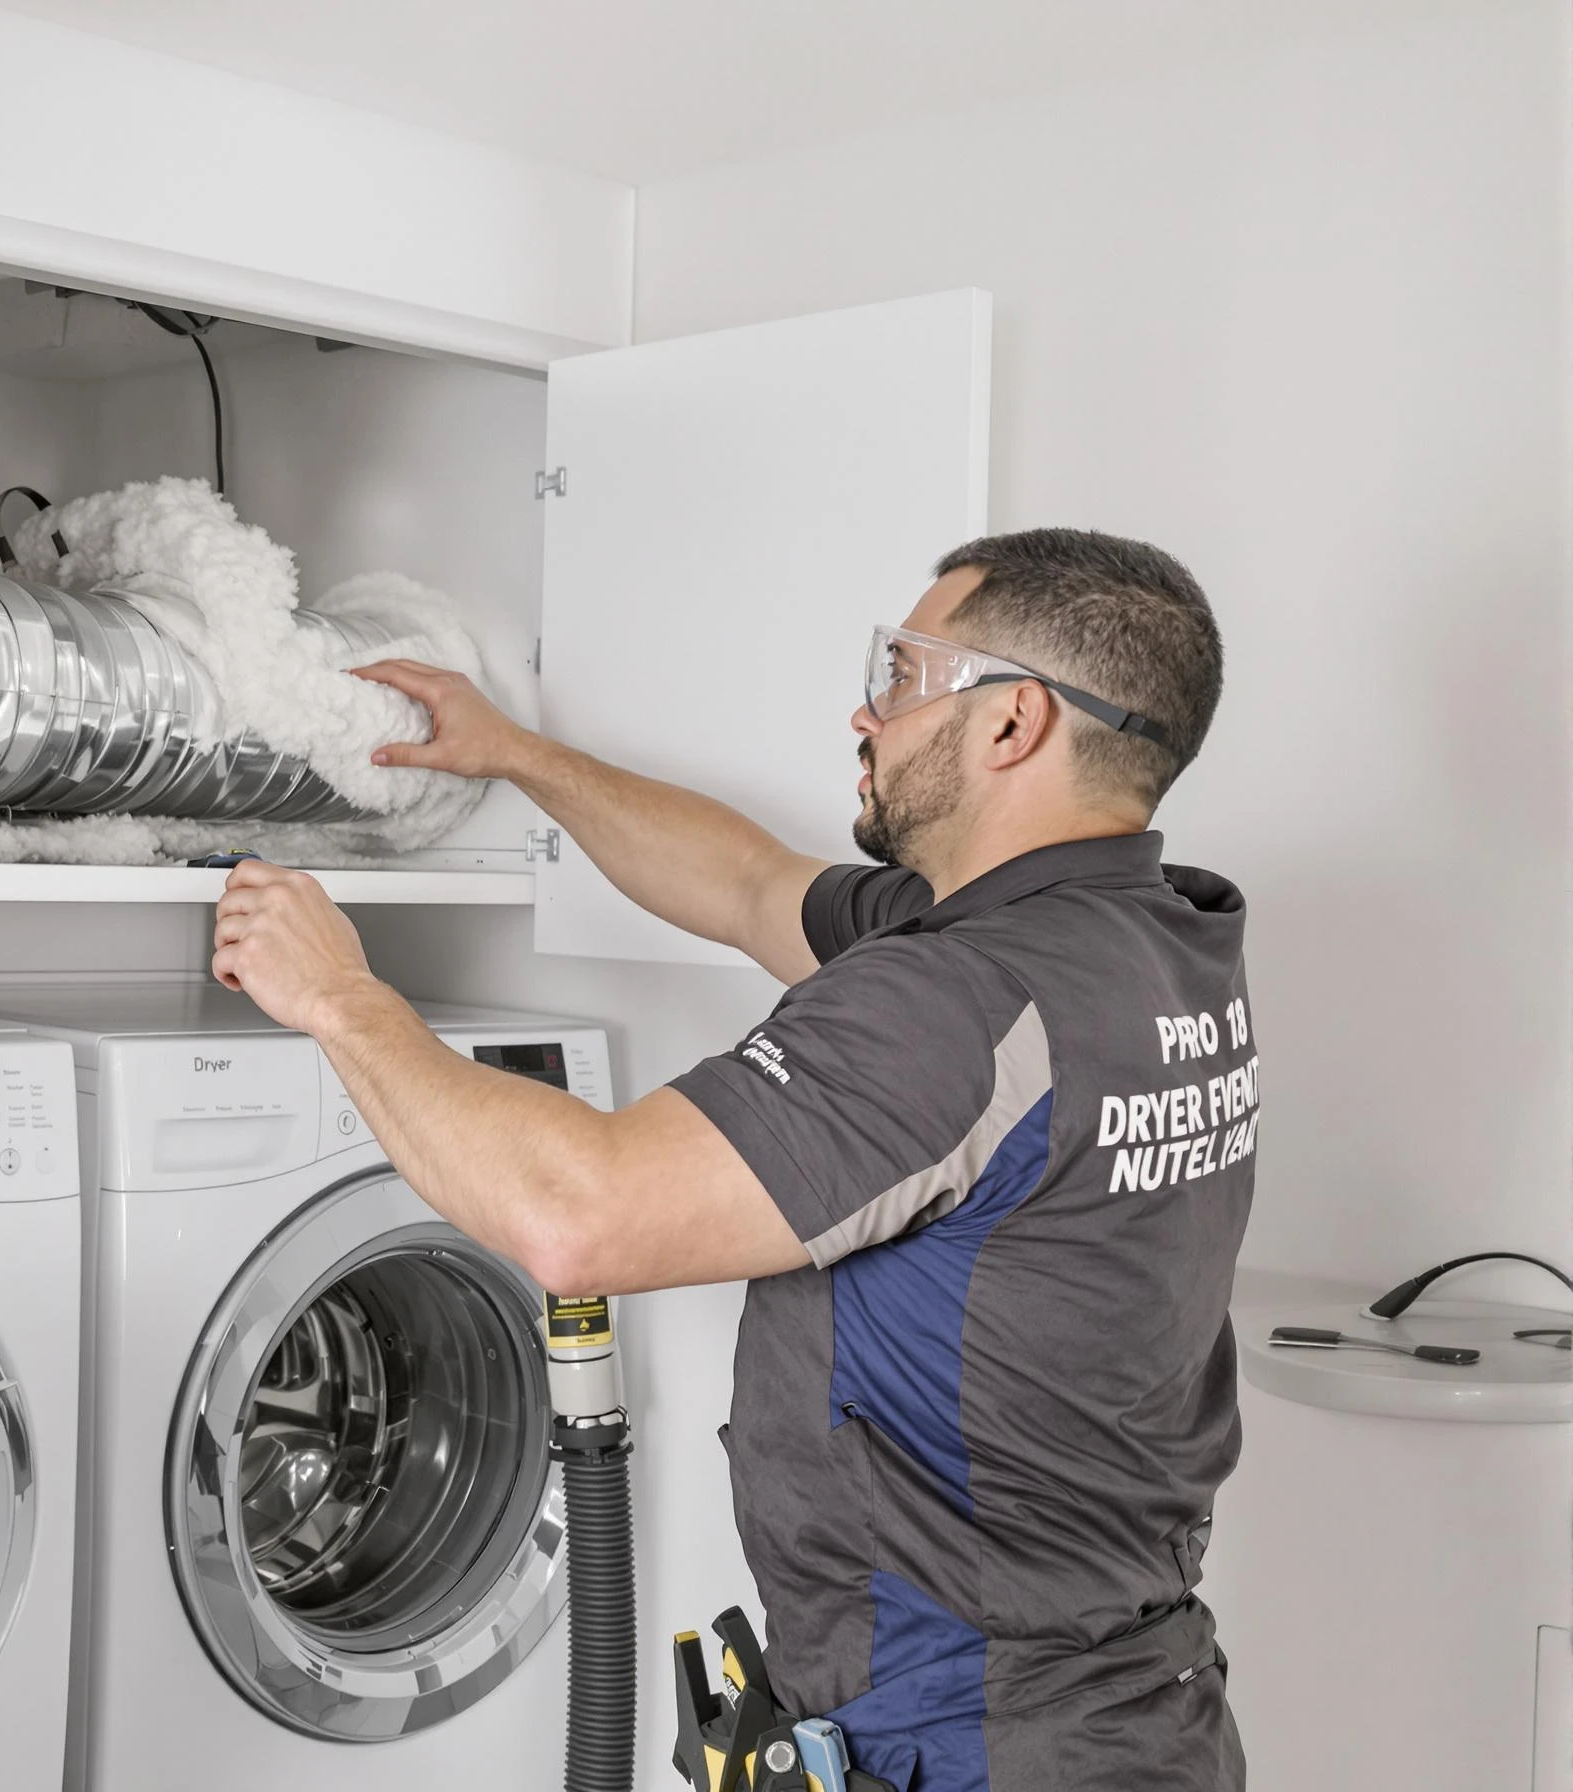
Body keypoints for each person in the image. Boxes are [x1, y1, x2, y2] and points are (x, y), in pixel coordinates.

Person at [209, 527, 1251, 1792]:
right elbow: (750, 885)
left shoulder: (955, 1001)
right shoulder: (1147, 938)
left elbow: (576, 1215)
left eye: (903, 674)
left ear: (1012, 721)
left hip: (974, 1743)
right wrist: (514, 752)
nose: (865, 713)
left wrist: (339, 997)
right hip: (1124, 1711)